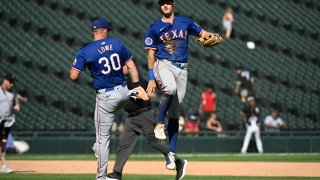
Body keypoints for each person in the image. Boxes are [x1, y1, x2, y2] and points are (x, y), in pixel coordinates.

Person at [144, 0, 221, 166]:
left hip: (182, 69)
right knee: (169, 88)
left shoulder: (184, 22)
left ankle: (171, 153)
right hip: (163, 64)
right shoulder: (154, 28)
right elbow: (151, 55)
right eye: (162, 3)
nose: (165, 5)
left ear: (173, 4)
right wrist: (151, 78)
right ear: (159, 6)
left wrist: (211, 36)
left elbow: (203, 33)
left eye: (168, 2)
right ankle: (158, 124)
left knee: (175, 113)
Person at [69, 18, 146, 180]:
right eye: (108, 30)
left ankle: (101, 176)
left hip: (106, 96)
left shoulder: (86, 50)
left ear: (94, 32)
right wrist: (138, 87)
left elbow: (73, 76)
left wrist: (87, 64)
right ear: (105, 31)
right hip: (124, 93)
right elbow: (130, 66)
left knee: (103, 139)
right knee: (102, 137)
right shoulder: (116, 44)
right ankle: (98, 147)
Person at [106, 66, 187, 180]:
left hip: (143, 115)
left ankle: (178, 162)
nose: (120, 68)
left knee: (155, 142)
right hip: (131, 118)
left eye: (123, 65)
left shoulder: (134, 77)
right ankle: (117, 173)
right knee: (124, 145)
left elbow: (139, 93)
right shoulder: (123, 78)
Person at [0, 73, 20, 173]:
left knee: (3, 143)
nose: (12, 84)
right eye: (11, 82)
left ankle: (4, 166)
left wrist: (16, 107)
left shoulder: (12, 93)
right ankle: (4, 166)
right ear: (6, 80)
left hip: (7, 121)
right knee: (3, 141)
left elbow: (17, 105)